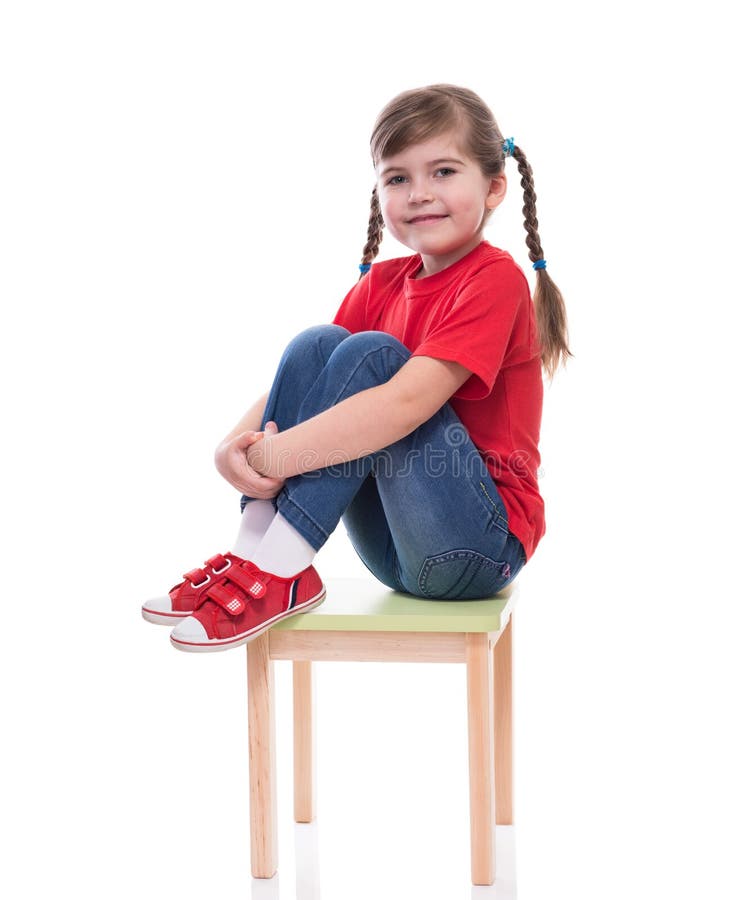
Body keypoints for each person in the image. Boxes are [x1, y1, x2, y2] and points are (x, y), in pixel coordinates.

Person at [141, 83, 570, 653]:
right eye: (398, 178)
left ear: (493, 188)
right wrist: (235, 447)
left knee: (375, 360)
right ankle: (255, 553)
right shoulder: (382, 283)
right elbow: (304, 387)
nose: (419, 194)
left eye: (443, 171)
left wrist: (277, 454)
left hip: (476, 547)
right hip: (393, 548)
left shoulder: (494, 279)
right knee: (318, 345)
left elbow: (405, 403)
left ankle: (283, 564)